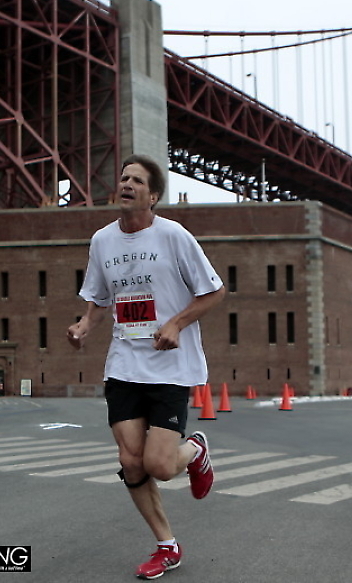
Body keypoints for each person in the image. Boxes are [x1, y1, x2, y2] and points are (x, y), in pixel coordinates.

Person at [67, 154, 225, 579]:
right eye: (124, 178)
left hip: (170, 367)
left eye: (137, 180)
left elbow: (214, 292)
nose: (127, 184)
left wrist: (175, 323)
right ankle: (166, 545)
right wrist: (84, 326)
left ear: (153, 196)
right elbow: (99, 299)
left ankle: (195, 450)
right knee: (131, 461)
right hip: (124, 364)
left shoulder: (173, 236)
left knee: (159, 465)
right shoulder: (102, 241)